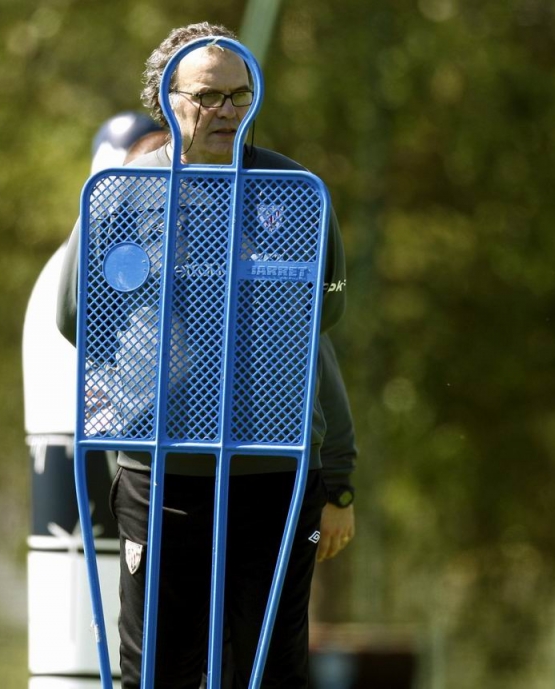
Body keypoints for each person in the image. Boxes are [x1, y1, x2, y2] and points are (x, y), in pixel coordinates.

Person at [56, 22, 355, 688]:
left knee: (270, 669)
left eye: (239, 96)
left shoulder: (296, 192)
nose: (227, 112)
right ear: (166, 98)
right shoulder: (122, 193)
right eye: (208, 96)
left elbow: (322, 321)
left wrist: (339, 474)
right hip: (161, 470)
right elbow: (76, 315)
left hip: (271, 470)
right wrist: (142, 375)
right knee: (159, 666)